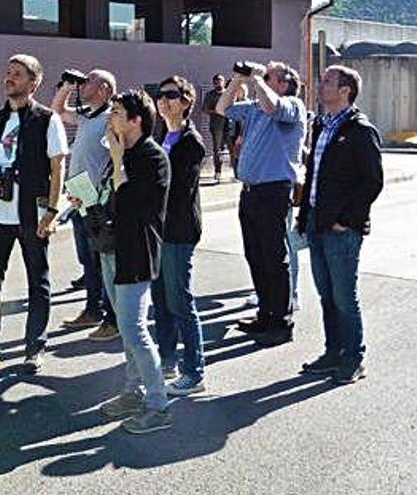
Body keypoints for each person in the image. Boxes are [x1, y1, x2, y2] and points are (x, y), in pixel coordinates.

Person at [0, 54, 68, 376]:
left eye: (18, 74)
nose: (9, 78)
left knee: (38, 282)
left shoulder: (46, 119)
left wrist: (51, 212)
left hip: (33, 214)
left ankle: (34, 349)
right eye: (8, 72)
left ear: (33, 83)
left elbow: (58, 166)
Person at [297, 65, 383, 385]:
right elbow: (313, 177)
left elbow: (372, 182)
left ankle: (353, 357)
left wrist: (345, 220)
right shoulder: (322, 126)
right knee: (327, 295)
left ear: (345, 89)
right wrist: (305, 216)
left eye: (328, 81)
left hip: (341, 231)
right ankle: (333, 352)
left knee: (344, 297)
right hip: (318, 224)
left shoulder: (361, 130)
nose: (321, 85)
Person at [217, 61, 307, 347]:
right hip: (251, 191)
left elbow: (273, 107)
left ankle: (281, 321)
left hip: (273, 191)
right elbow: (222, 108)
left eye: (269, 77)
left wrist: (257, 79)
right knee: (255, 254)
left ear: (283, 83)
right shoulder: (255, 108)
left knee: (273, 256)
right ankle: (265, 314)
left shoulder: (292, 105)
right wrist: (237, 80)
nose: (261, 80)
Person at [97, 89, 171, 434]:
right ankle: (133, 391)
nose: (110, 117)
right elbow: (109, 198)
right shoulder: (121, 152)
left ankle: (158, 404)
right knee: (128, 332)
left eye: (116, 112)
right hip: (112, 248)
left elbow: (127, 202)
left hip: (137, 253)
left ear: (135, 120)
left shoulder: (152, 157)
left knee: (135, 330)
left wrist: (116, 160)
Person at [51, 69, 119, 341]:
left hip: (96, 199)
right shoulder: (87, 116)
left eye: (89, 80)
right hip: (79, 194)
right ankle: (93, 310)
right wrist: (68, 85)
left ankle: (111, 317)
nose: (84, 84)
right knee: (87, 260)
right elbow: (56, 111)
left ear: (104, 88)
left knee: (102, 259)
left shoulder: (111, 118)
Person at [151, 76, 207, 396]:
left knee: (179, 300)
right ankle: (168, 357)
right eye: (160, 96)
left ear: (187, 101)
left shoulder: (190, 141)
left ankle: (194, 371)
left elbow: (177, 192)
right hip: (159, 230)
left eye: (171, 96)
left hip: (178, 231)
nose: (163, 101)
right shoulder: (164, 136)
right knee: (160, 299)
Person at [202, 73, 229, 183]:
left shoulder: (228, 94)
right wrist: (216, 111)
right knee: (217, 149)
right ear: (213, 84)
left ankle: (237, 171)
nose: (218, 83)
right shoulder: (210, 95)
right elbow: (204, 109)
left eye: (220, 81)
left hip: (229, 124)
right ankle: (218, 171)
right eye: (216, 82)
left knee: (233, 148)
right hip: (216, 125)